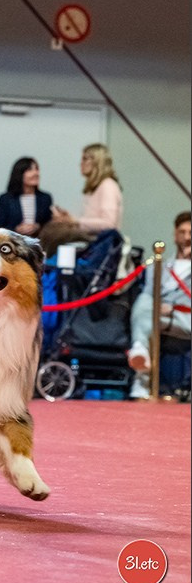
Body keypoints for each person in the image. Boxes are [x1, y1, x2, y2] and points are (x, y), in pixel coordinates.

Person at [128, 211, 191, 400]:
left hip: (185, 318)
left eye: (191, 233)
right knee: (145, 303)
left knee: (147, 315)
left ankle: (141, 377)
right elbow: (148, 296)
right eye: (182, 232)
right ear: (174, 234)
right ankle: (140, 354)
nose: (187, 237)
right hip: (157, 316)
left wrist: (171, 308)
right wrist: (158, 307)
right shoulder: (159, 265)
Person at [38, 143, 123, 257]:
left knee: (54, 231)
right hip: (94, 238)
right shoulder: (95, 188)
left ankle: (41, 264)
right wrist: (69, 219)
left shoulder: (108, 186)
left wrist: (75, 221)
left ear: (97, 161)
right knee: (54, 226)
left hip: (101, 241)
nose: (80, 163)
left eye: (85, 159)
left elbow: (109, 224)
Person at [0, 157, 53, 237]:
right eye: (30, 170)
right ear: (19, 174)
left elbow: (50, 225)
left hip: (38, 243)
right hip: (14, 243)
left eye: (37, 169)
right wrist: (15, 229)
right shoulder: (6, 199)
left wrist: (37, 227)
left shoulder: (45, 198)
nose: (35, 173)